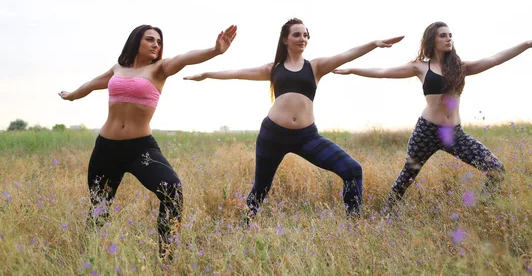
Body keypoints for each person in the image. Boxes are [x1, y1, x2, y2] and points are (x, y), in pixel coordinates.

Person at [184, 18, 403, 219]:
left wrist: (374, 43)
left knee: (352, 170)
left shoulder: (315, 67)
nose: (303, 39)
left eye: (306, 35)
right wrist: (205, 75)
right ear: (285, 39)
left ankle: (353, 224)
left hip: (307, 137)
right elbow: (236, 72)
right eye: (297, 34)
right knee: (260, 189)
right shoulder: (273, 69)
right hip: (273, 135)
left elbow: (347, 54)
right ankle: (244, 225)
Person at [333, 21, 532, 209]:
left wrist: (528, 44)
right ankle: (388, 216)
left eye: (450, 35)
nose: (448, 38)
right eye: (443, 35)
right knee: (406, 178)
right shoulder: (420, 67)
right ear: (432, 40)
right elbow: (382, 72)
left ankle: (482, 208)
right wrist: (353, 69)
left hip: (454, 134)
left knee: (497, 170)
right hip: (427, 131)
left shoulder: (461, 66)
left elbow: (496, 58)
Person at [59, 24, 237, 258]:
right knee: (99, 207)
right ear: (136, 42)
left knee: (172, 190)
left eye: (159, 42)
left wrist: (215, 50)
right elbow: (92, 84)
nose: (156, 45)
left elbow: (185, 58)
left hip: (139, 148)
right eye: (150, 40)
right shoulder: (118, 68)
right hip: (106, 148)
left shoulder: (160, 69)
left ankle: (166, 257)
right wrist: (72, 95)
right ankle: (87, 257)